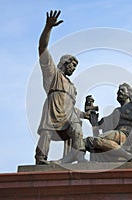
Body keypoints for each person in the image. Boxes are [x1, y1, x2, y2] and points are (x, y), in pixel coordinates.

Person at [35, 10, 87, 165]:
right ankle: (40, 159)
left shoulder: (72, 87)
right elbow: (42, 48)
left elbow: (71, 107)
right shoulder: (52, 74)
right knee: (47, 133)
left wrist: (85, 114)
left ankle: (79, 157)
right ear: (65, 63)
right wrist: (48, 27)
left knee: (76, 128)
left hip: (67, 114)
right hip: (52, 110)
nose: (73, 68)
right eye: (72, 65)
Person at [85, 83, 132, 161]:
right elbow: (99, 125)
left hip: (129, 134)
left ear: (129, 93)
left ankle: (128, 156)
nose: (119, 92)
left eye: (122, 90)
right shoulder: (116, 111)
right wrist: (92, 116)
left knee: (94, 140)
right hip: (118, 133)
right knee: (93, 141)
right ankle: (128, 156)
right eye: (118, 91)